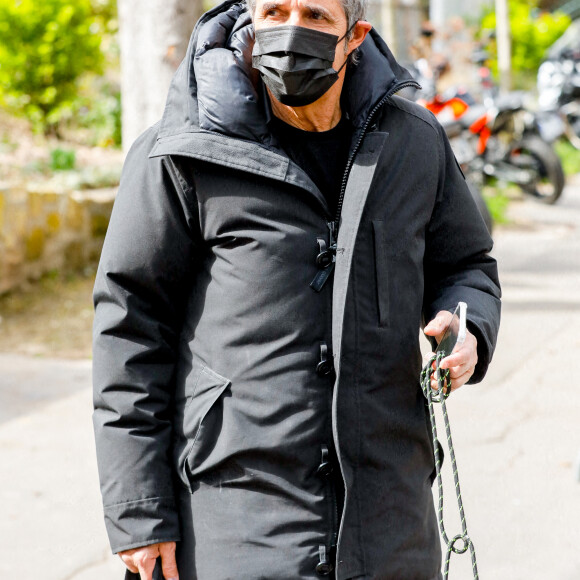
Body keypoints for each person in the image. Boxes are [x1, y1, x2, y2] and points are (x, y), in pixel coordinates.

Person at [92, 0, 501, 578]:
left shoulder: (415, 142)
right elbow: (129, 327)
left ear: (355, 36)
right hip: (236, 514)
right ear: (250, 21)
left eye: (314, 16)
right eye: (274, 10)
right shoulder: (182, 151)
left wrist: (467, 329)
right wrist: (139, 511)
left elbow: (468, 266)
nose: (290, 30)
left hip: (390, 516)